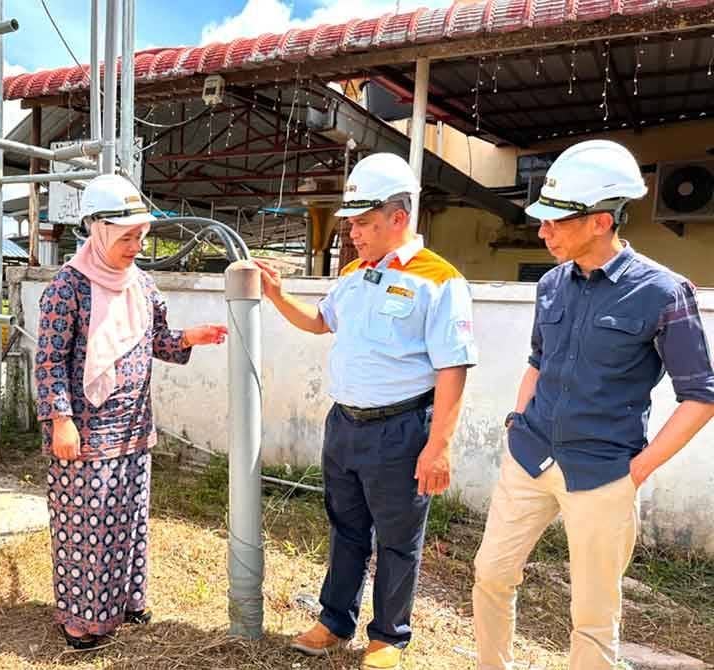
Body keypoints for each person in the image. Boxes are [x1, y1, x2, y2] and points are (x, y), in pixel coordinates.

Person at [472, 139, 714, 669]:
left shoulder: (664, 293)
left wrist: (636, 472)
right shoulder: (552, 284)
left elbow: (700, 397)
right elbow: (538, 360)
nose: (542, 232)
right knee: (491, 572)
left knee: (594, 612)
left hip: (604, 474)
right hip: (529, 458)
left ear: (602, 221)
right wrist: (518, 419)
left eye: (556, 222)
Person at [255, 153, 477, 669]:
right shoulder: (354, 274)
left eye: (363, 222)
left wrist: (437, 446)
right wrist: (278, 296)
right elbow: (319, 323)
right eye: (351, 221)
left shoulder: (440, 280)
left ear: (398, 217)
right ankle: (335, 621)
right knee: (346, 527)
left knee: (398, 537)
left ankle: (389, 637)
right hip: (346, 424)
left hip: (402, 428)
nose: (352, 231)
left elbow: (453, 368)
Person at [35, 173, 227, 649]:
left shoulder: (141, 284)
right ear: (97, 230)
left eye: (141, 235)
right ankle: (81, 617)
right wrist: (61, 420)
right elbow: (49, 360)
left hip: (133, 429)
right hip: (85, 431)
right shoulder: (68, 288)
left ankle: (123, 601)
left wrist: (189, 337)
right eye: (127, 237)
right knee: (85, 525)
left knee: (128, 519)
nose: (137, 246)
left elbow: (157, 339)